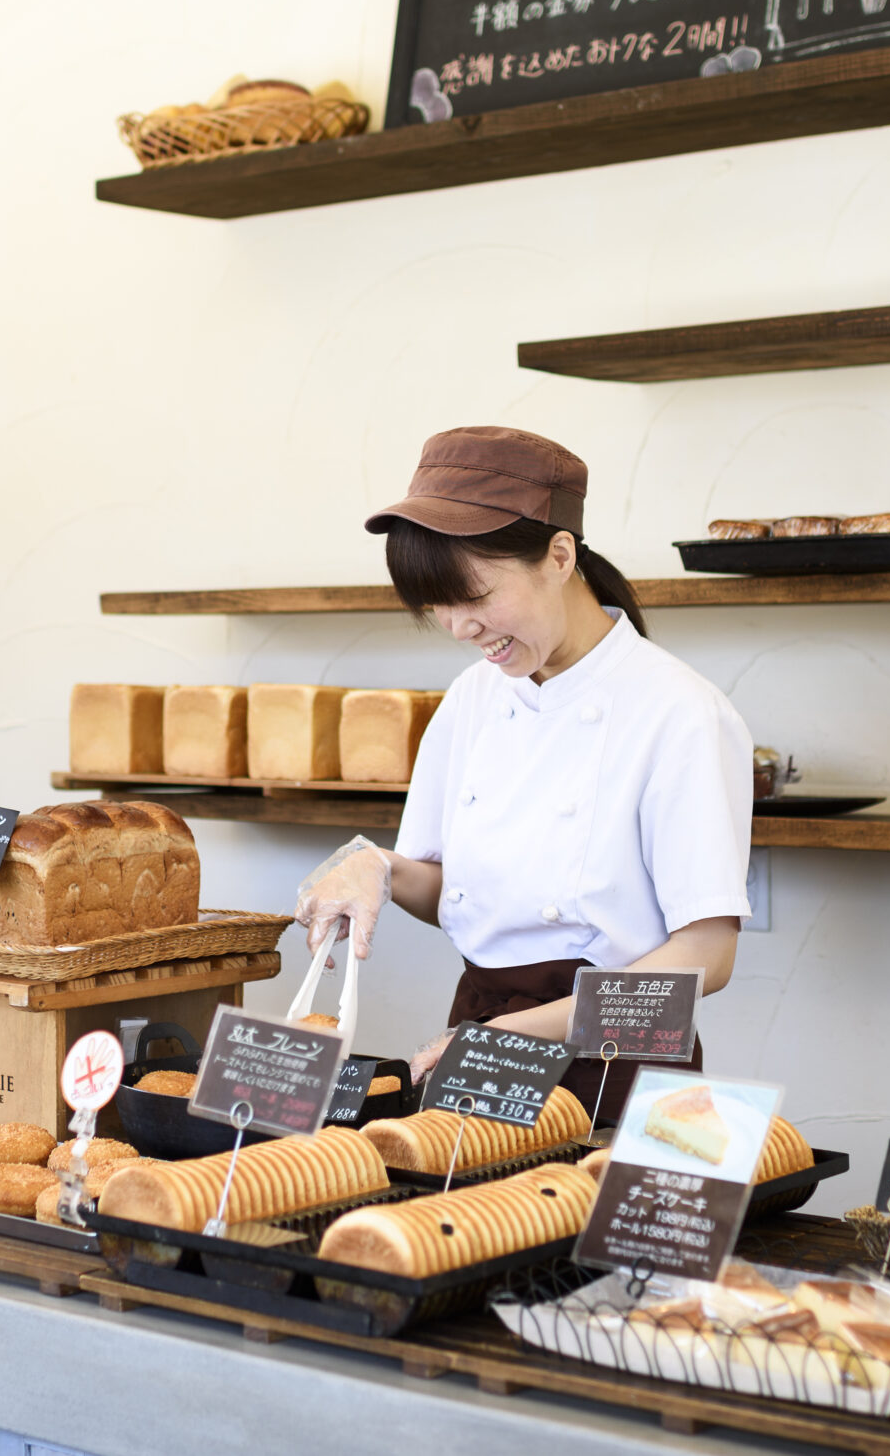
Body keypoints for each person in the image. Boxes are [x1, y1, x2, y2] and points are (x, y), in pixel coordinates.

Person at [292, 426, 755, 1124]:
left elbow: (707, 956)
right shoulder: (473, 698)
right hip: (476, 1033)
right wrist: (377, 867)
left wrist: (513, 1035)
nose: (458, 628)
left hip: (620, 1057)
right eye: (438, 607)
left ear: (559, 556)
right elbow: (456, 888)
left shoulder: (679, 712)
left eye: (474, 596)